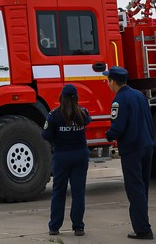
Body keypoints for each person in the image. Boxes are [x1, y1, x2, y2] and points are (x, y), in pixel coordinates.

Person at [105, 67, 155, 241]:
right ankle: (144, 222)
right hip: (147, 145)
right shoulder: (140, 96)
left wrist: (108, 135)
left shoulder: (118, 100)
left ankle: (142, 229)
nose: (107, 83)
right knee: (142, 188)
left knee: (134, 189)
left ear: (113, 81)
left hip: (132, 149)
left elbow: (117, 128)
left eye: (108, 80)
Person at [43, 83, 92, 239]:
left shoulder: (54, 115)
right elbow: (88, 122)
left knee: (59, 192)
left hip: (61, 157)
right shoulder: (83, 114)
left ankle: (54, 227)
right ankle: (78, 227)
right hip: (80, 156)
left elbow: (45, 135)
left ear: (61, 98)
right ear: (76, 98)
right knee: (78, 193)